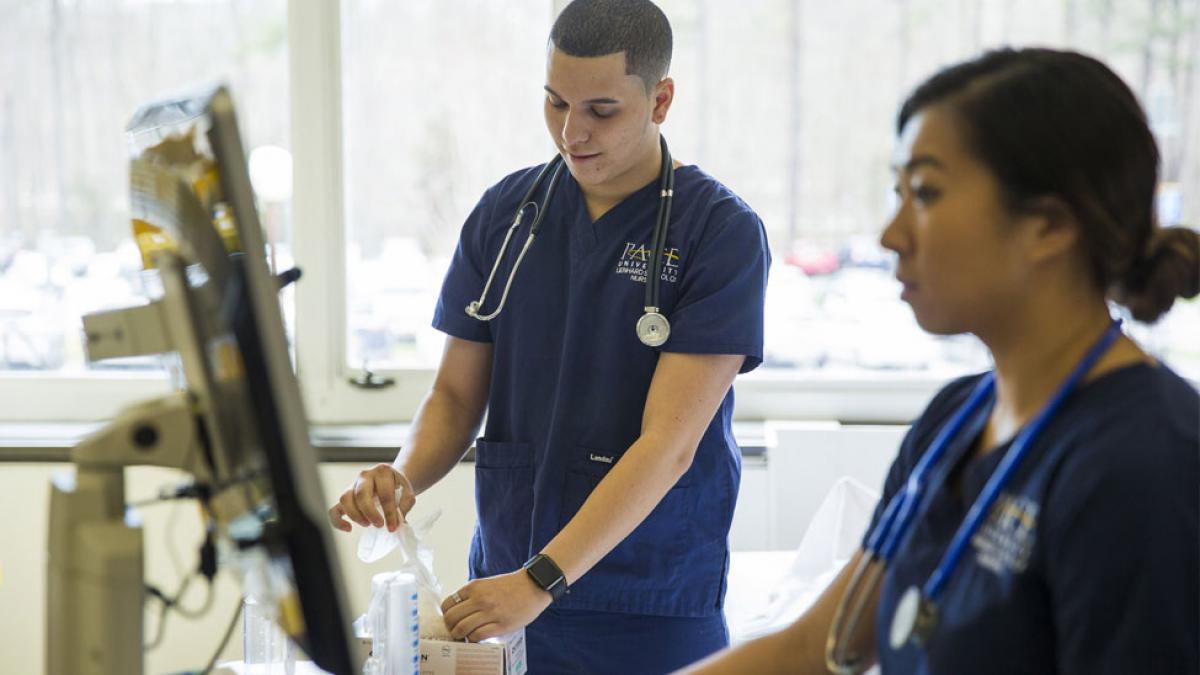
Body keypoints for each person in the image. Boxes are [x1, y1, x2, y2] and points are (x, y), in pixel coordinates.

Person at [683, 47, 1199, 675]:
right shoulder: (956, 419)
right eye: (896, 193)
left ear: (1049, 225)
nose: (890, 235)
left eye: (925, 193)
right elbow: (817, 647)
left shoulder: (1147, 459)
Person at [328, 1, 770, 672]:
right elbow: (452, 397)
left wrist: (541, 580)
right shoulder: (507, 216)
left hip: (647, 603)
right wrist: (402, 475)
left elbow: (670, 445)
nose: (572, 132)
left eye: (601, 110)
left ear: (661, 100)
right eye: (555, 102)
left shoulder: (719, 233)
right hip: (502, 594)